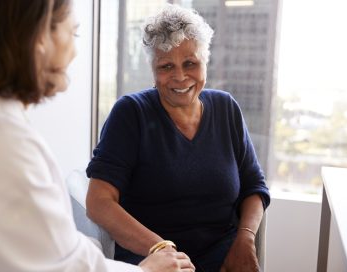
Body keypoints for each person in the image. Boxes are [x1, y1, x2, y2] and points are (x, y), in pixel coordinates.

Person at [0, 1, 196, 271]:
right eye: (72, 33)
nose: (74, 52)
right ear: (37, 40)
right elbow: (61, 265)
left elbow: (47, 249)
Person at [86, 4, 270, 272]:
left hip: (224, 256)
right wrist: (162, 249)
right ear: (152, 67)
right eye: (166, 66)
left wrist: (245, 238)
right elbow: (98, 202)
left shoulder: (226, 108)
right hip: (156, 259)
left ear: (205, 61)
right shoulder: (131, 113)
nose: (180, 76)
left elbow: (254, 186)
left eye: (190, 63)